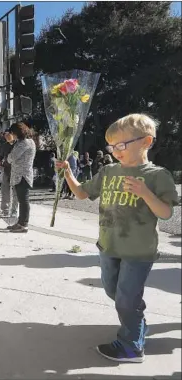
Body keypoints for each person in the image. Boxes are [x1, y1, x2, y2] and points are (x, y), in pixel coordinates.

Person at [56, 114, 178, 363]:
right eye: (111, 146)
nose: (115, 151)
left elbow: (165, 213)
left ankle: (130, 346)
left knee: (126, 299)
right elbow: (80, 193)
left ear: (146, 141)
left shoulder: (157, 175)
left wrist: (145, 193)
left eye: (121, 145)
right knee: (114, 291)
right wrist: (68, 173)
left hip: (138, 250)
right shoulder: (108, 171)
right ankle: (137, 323)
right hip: (109, 245)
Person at [6, 122, 37, 233]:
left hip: (22, 176)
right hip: (20, 176)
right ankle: (20, 222)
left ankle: (24, 224)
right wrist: (11, 142)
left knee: (24, 201)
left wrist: (10, 146)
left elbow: (11, 157)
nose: (11, 135)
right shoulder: (22, 142)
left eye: (12, 133)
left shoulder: (25, 143)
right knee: (21, 200)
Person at [0, 134, 18, 217]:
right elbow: (1, 156)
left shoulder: (18, 145)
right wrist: (0, 163)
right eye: (6, 136)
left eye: (8, 135)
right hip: (7, 170)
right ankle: (5, 209)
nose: (7, 138)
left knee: (16, 192)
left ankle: (14, 210)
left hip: (16, 171)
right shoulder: (5, 146)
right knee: (5, 191)